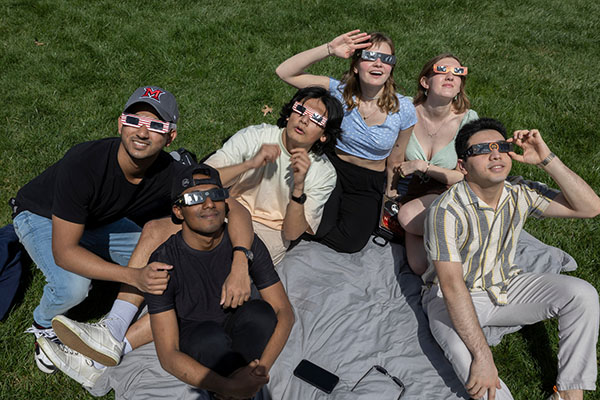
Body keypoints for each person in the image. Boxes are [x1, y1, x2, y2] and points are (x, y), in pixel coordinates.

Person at [13, 86, 253, 374]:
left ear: (170, 137)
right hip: (41, 216)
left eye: (155, 125)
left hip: (98, 221)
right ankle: (43, 325)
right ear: (120, 123)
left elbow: (232, 205)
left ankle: (113, 332)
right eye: (134, 121)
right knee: (73, 287)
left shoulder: (169, 171)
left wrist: (240, 261)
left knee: (170, 258)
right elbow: (65, 252)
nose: (142, 132)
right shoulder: (84, 162)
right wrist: (134, 276)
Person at [39, 166, 294, 399]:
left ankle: (104, 352)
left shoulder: (246, 246)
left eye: (215, 195)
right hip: (201, 333)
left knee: (261, 313)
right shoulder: (163, 263)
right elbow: (169, 355)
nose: (208, 204)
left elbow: (284, 311)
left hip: (239, 323)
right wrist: (228, 387)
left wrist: (261, 370)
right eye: (194, 198)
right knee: (208, 340)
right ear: (178, 211)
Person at [421, 118, 600, 400]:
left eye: (501, 146)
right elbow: (453, 288)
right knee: (478, 373)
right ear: (462, 166)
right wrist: (483, 356)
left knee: (582, 294)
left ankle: (568, 395)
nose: (495, 154)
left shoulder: (520, 191)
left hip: (506, 284)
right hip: (451, 299)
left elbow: (590, 208)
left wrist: (546, 159)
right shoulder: (446, 211)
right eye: (481, 150)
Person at [276, 30, 417, 253]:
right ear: (355, 65)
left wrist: (390, 195)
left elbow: (396, 158)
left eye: (386, 59)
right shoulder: (338, 92)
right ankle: (298, 224)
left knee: (351, 243)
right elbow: (284, 72)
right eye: (370, 57)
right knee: (320, 227)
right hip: (330, 169)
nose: (378, 63)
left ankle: (298, 225)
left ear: (391, 69)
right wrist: (329, 50)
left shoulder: (404, 109)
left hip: (368, 181)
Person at [204, 86, 342, 264]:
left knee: (224, 269)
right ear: (289, 114)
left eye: (316, 118)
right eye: (300, 109)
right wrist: (249, 164)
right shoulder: (256, 135)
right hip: (231, 210)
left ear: (324, 135)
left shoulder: (324, 173)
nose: (304, 119)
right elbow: (203, 180)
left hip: (269, 231)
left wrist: (299, 188)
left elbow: (292, 233)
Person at [395, 54, 478, 275]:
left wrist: (424, 166)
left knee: (406, 216)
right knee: (420, 266)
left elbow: (469, 177)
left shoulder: (469, 121)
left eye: (458, 73)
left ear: (460, 86)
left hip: (451, 193)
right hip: (414, 195)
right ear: (425, 82)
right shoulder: (406, 112)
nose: (451, 76)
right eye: (442, 70)